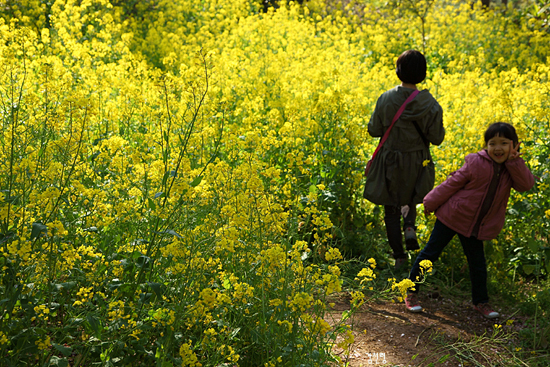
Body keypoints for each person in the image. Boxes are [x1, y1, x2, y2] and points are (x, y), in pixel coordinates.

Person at [405, 122, 535, 318]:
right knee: (430, 254)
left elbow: (525, 185)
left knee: (477, 264)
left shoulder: (512, 168)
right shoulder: (476, 162)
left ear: (514, 145)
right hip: (452, 216)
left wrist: (514, 162)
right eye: (492, 143)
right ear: (486, 146)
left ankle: (481, 302)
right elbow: (452, 183)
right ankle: (411, 293)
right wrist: (429, 202)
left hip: (476, 225)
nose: (498, 148)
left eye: (504, 143)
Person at [363, 50, 445, 269]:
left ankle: (399, 257)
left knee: (391, 208)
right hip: (417, 160)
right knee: (409, 198)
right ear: (423, 73)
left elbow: (374, 130)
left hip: (389, 159)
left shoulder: (386, 98)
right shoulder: (430, 103)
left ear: (398, 71)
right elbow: (437, 138)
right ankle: (409, 225)